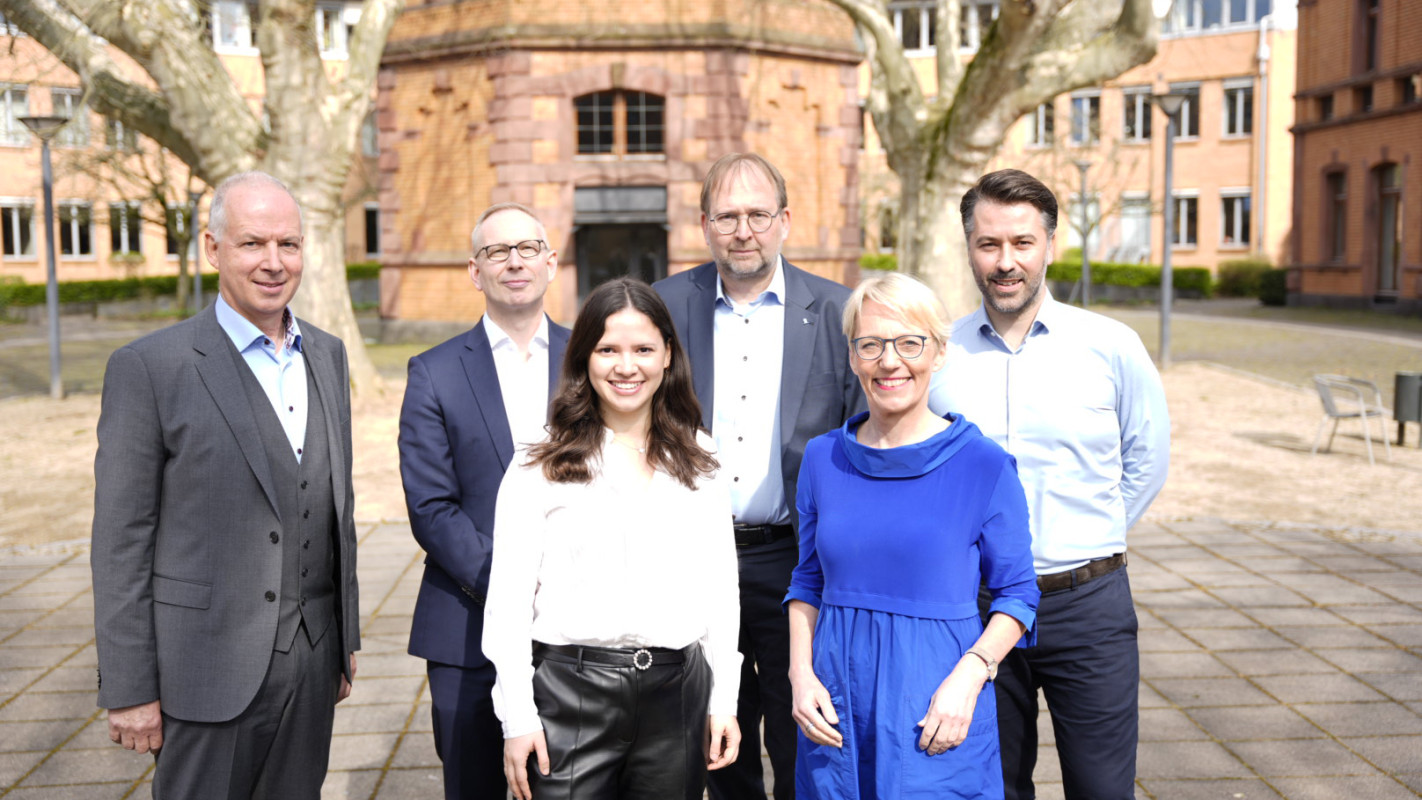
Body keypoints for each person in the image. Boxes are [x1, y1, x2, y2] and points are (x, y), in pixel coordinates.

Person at [92, 170, 360, 798]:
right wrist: (130, 687)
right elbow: (121, 539)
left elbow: (333, 511)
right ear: (213, 249)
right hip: (203, 670)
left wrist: (343, 639)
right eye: (253, 243)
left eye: (288, 244)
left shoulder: (328, 354)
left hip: (312, 661)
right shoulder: (149, 368)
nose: (274, 262)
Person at [930, 168, 1171, 799]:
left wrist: (1089, 534)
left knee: (1101, 788)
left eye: (1022, 243)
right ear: (970, 249)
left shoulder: (1111, 347)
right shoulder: (938, 357)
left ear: (1050, 245)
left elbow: (1146, 459)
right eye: (989, 244)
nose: (1005, 261)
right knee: (992, 788)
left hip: (1086, 606)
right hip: (975, 611)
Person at [654, 152, 865, 800]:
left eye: (757, 215)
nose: (743, 230)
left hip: (796, 559)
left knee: (803, 731)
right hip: (694, 558)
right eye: (727, 216)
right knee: (716, 737)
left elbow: (860, 434)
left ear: (784, 221)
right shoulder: (663, 307)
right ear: (704, 223)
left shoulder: (835, 311)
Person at [483, 276, 742, 800]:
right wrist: (517, 717)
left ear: (668, 355)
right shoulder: (540, 459)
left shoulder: (701, 457)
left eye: (644, 348)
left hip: (677, 695)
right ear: (583, 358)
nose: (627, 367)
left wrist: (724, 700)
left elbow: (720, 589)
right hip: (570, 695)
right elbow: (507, 602)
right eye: (608, 350)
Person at [786, 272, 1039, 799]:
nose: (890, 360)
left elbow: (1018, 594)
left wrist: (969, 677)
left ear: (939, 352)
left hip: (936, 697)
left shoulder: (984, 465)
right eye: (871, 344)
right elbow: (808, 579)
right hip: (835, 700)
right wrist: (800, 676)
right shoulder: (822, 459)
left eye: (909, 342)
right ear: (853, 356)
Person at [398, 202, 570, 798]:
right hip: (466, 626)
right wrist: (511, 585)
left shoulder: (594, 361)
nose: (514, 262)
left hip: (577, 626)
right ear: (476, 271)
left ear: (552, 263)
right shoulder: (434, 372)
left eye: (527, 249)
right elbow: (431, 507)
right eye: (497, 251)